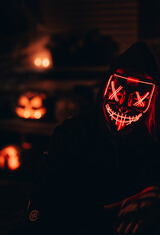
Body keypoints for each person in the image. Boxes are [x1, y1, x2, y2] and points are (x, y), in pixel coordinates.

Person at [27, 42, 160, 235]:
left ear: (153, 99)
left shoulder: (151, 144)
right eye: (119, 92)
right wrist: (120, 207)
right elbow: (46, 207)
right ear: (106, 87)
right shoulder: (72, 135)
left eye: (139, 94)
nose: (123, 106)